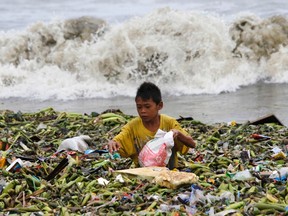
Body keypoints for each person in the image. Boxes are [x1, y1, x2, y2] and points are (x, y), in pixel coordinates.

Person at [108, 82, 196, 169]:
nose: (142, 111)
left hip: (169, 172)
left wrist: (178, 134)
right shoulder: (132, 127)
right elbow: (118, 141)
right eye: (139, 107)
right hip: (142, 173)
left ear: (159, 106)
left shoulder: (169, 123)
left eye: (147, 106)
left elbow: (192, 144)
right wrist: (113, 143)